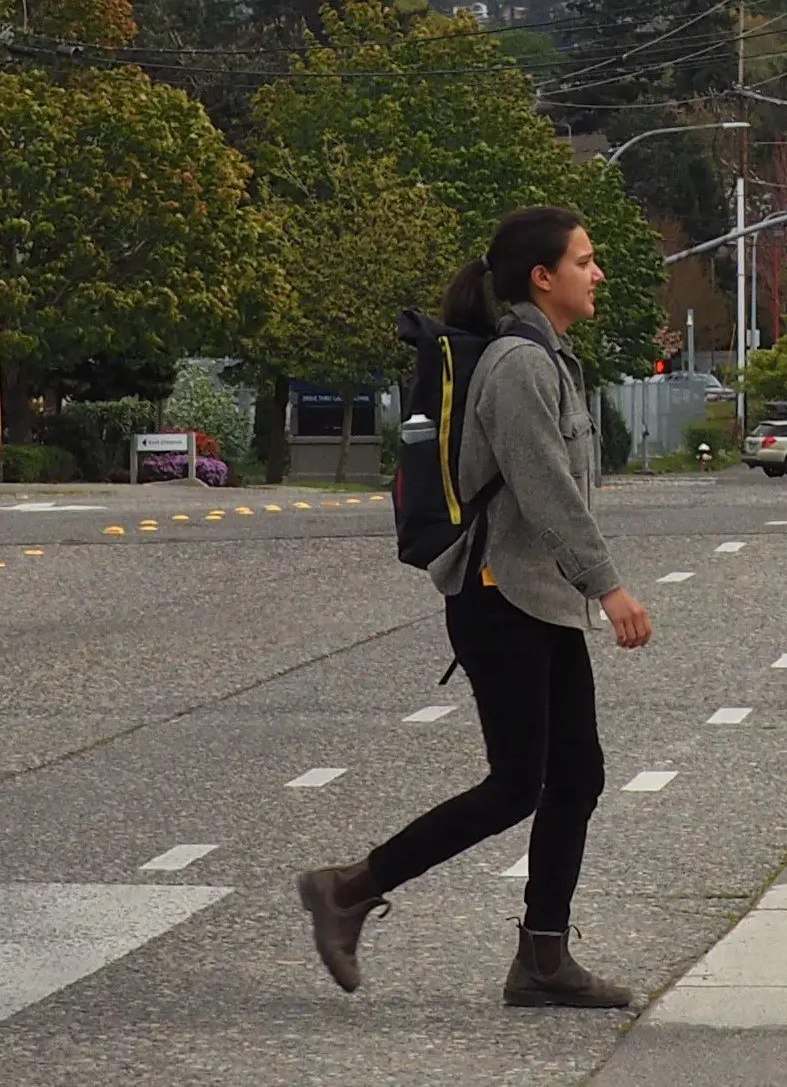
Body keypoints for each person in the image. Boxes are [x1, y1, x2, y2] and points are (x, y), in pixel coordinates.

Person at [295, 205, 656, 1007]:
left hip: (535, 598)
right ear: (543, 275)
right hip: (501, 598)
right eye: (586, 261)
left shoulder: (548, 359)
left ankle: (542, 956)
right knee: (517, 783)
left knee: (576, 775)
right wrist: (609, 583)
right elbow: (545, 488)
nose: (598, 274)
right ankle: (347, 890)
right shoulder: (520, 367)